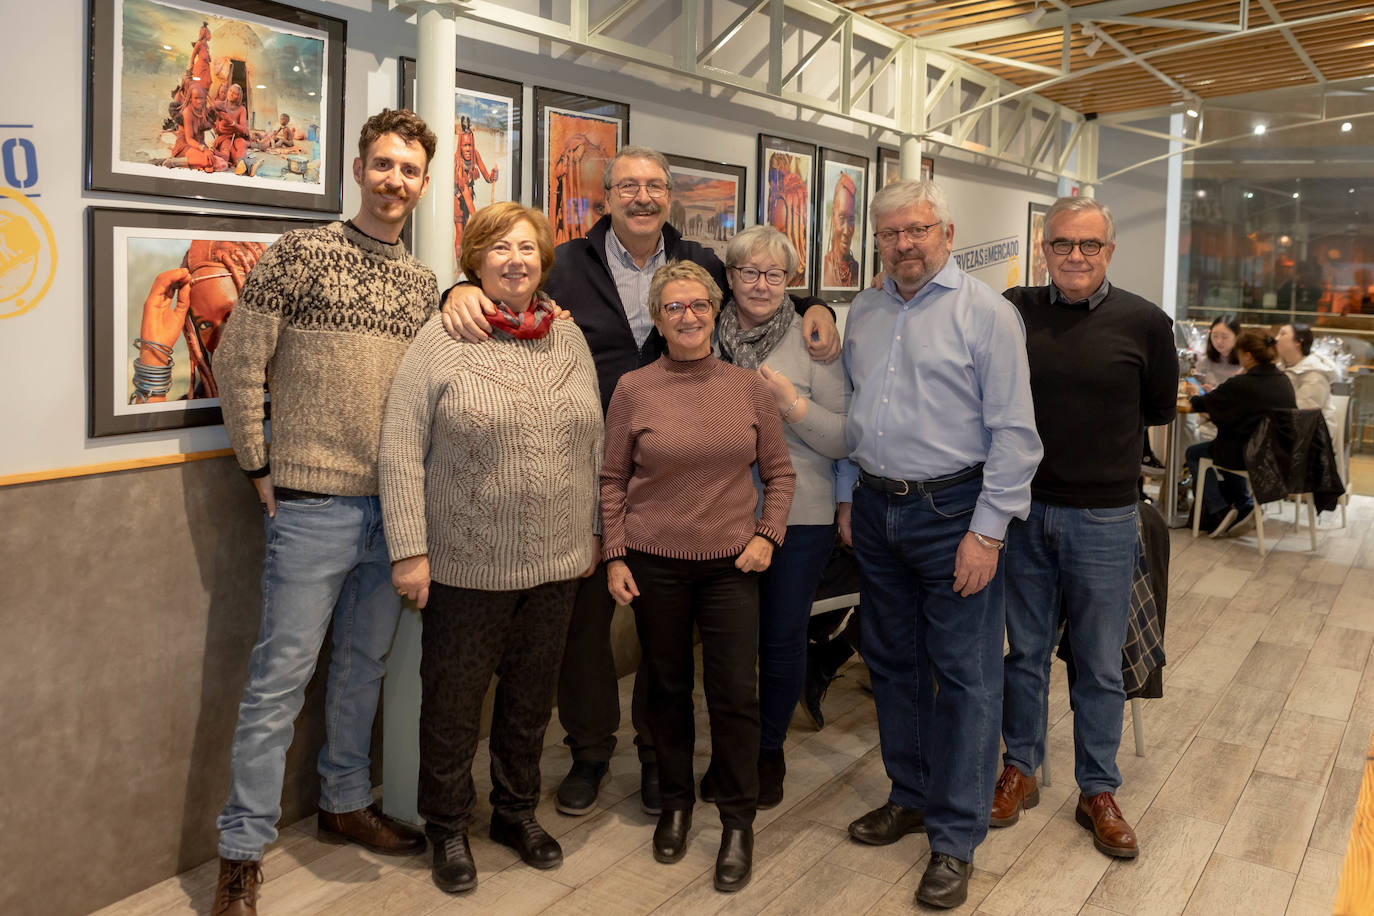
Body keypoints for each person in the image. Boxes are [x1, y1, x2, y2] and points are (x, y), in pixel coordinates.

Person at [439, 145, 840, 821]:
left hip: (665, 479)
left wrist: (815, 305)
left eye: (655, 186)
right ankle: (592, 751)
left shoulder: (703, 261)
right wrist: (457, 288)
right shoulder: (564, 263)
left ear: (669, 198)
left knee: (662, 636)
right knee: (585, 626)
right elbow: (500, 284)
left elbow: (759, 285)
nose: (644, 197)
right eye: (630, 186)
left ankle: (660, 758)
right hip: (574, 470)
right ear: (607, 197)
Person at [210, 109, 440, 916]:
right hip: (312, 503)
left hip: (395, 513)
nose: (394, 180)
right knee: (279, 683)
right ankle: (240, 853)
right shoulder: (301, 252)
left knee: (362, 671)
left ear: (423, 181)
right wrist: (257, 463)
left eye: (409, 170)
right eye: (383, 164)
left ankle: (344, 803)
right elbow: (237, 354)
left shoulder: (421, 282)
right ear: (357, 168)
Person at [378, 202, 602, 895]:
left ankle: (514, 812)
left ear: (544, 262)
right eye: (500, 248)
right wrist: (410, 550)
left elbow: (591, 444)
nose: (516, 260)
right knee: (452, 703)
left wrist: (592, 531)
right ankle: (446, 826)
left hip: (558, 562)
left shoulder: (568, 339)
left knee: (531, 701)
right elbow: (399, 449)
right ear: (475, 260)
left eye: (529, 249)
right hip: (467, 564)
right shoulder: (442, 340)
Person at [836, 179, 1041, 910]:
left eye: (917, 230)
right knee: (892, 663)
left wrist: (986, 534)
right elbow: (853, 411)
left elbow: (1017, 437)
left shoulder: (986, 313)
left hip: (955, 513)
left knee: (965, 678)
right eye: (890, 234)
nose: (904, 244)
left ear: (947, 234)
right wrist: (845, 496)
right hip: (876, 507)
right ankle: (911, 793)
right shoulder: (863, 308)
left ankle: (955, 839)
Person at [600, 259, 796, 893]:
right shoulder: (632, 388)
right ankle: (677, 804)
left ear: (716, 312)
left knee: (736, 695)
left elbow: (782, 474)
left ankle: (738, 821)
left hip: (731, 566)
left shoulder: (749, 389)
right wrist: (616, 555)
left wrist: (768, 536)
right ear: (658, 320)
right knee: (666, 690)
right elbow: (611, 480)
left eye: (698, 306)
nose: (687, 317)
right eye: (673, 308)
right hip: (655, 564)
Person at [996, 197, 1177, 861]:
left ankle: (1097, 789)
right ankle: (1021, 768)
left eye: (1089, 245)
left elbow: (1155, 411)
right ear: (1043, 248)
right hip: (1022, 512)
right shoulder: (1014, 310)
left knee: (1100, 664)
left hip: (1105, 516)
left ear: (1109, 251)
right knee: (1025, 654)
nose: (1076, 256)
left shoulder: (1147, 324)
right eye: (1063, 244)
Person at [711, 225, 848, 808]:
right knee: (729, 643)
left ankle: (770, 749)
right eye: (748, 272)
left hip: (802, 514)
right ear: (730, 276)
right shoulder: (705, 334)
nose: (760, 285)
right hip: (718, 512)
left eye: (774, 274)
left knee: (782, 636)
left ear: (792, 281)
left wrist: (790, 405)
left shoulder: (816, 340)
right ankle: (732, 749)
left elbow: (845, 436)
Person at [1183, 329, 1298, 537]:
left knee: (1196, 453)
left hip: (1247, 454)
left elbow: (1202, 404)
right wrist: (1217, 397)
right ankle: (1243, 505)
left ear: (1248, 355)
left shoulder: (1242, 383)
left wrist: (1195, 394)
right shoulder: (1283, 380)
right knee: (1226, 443)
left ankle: (1220, 510)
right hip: (1277, 455)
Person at [129, 240, 265, 403]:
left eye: (233, 316)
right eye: (204, 325)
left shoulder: (298, 394)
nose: (221, 344)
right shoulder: (197, 406)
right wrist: (153, 357)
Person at [1277, 322, 1338, 438]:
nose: (1276, 339)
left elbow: (1303, 417)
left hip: (1311, 441)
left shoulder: (1314, 374)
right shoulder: (1282, 367)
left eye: (1282, 334)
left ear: (1298, 342)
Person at [454, 115, 498, 254]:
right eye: (465, 145)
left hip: (468, 196)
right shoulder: (458, 162)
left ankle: (463, 265)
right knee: (461, 232)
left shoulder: (475, 155)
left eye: (470, 145)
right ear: (460, 146)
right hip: (459, 198)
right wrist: (479, 219)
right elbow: (465, 194)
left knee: (466, 231)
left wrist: (494, 175)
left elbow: (487, 177)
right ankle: (459, 264)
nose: (468, 149)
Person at [821, 173, 859, 288]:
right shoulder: (824, 267)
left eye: (851, 219)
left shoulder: (856, 269)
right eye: (842, 218)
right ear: (833, 217)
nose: (847, 231)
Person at [1197, 314, 1241, 390]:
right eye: (1215, 336)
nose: (1219, 341)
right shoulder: (1204, 360)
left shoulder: (1244, 363)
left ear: (1237, 337)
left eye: (1224, 337)